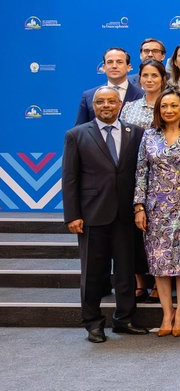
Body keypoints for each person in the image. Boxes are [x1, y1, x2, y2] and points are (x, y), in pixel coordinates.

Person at [62, 87, 148, 343]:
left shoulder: (136, 132)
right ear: (94, 106)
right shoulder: (76, 134)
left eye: (111, 101)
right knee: (92, 273)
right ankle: (93, 323)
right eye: (100, 102)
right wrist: (72, 215)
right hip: (92, 214)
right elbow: (70, 178)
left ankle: (124, 319)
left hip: (125, 215)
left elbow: (140, 173)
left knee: (126, 271)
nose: (106, 106)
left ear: (120, 104)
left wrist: (139, 207)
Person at [134, 89, 180, 337]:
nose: (169, 110)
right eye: (164, 106)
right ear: (158, 110)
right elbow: (141, 172)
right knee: (159, 261)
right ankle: (166, 312)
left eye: (174, 105)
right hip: (155, 208)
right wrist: (139, 206)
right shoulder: (149, 135)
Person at [76, 47, 143, 124]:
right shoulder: (89, 96)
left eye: (119, 62)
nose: (114, 66)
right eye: (110, 62)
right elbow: (80, 129)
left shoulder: (142, 95)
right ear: (104, 67)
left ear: (129, 67)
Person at [121, 59, 166, 130]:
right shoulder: (128, 107)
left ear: (162, 79)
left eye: (154, 76)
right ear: (140, 79)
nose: (149, 80)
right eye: (145, 75)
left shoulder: (169, 107)